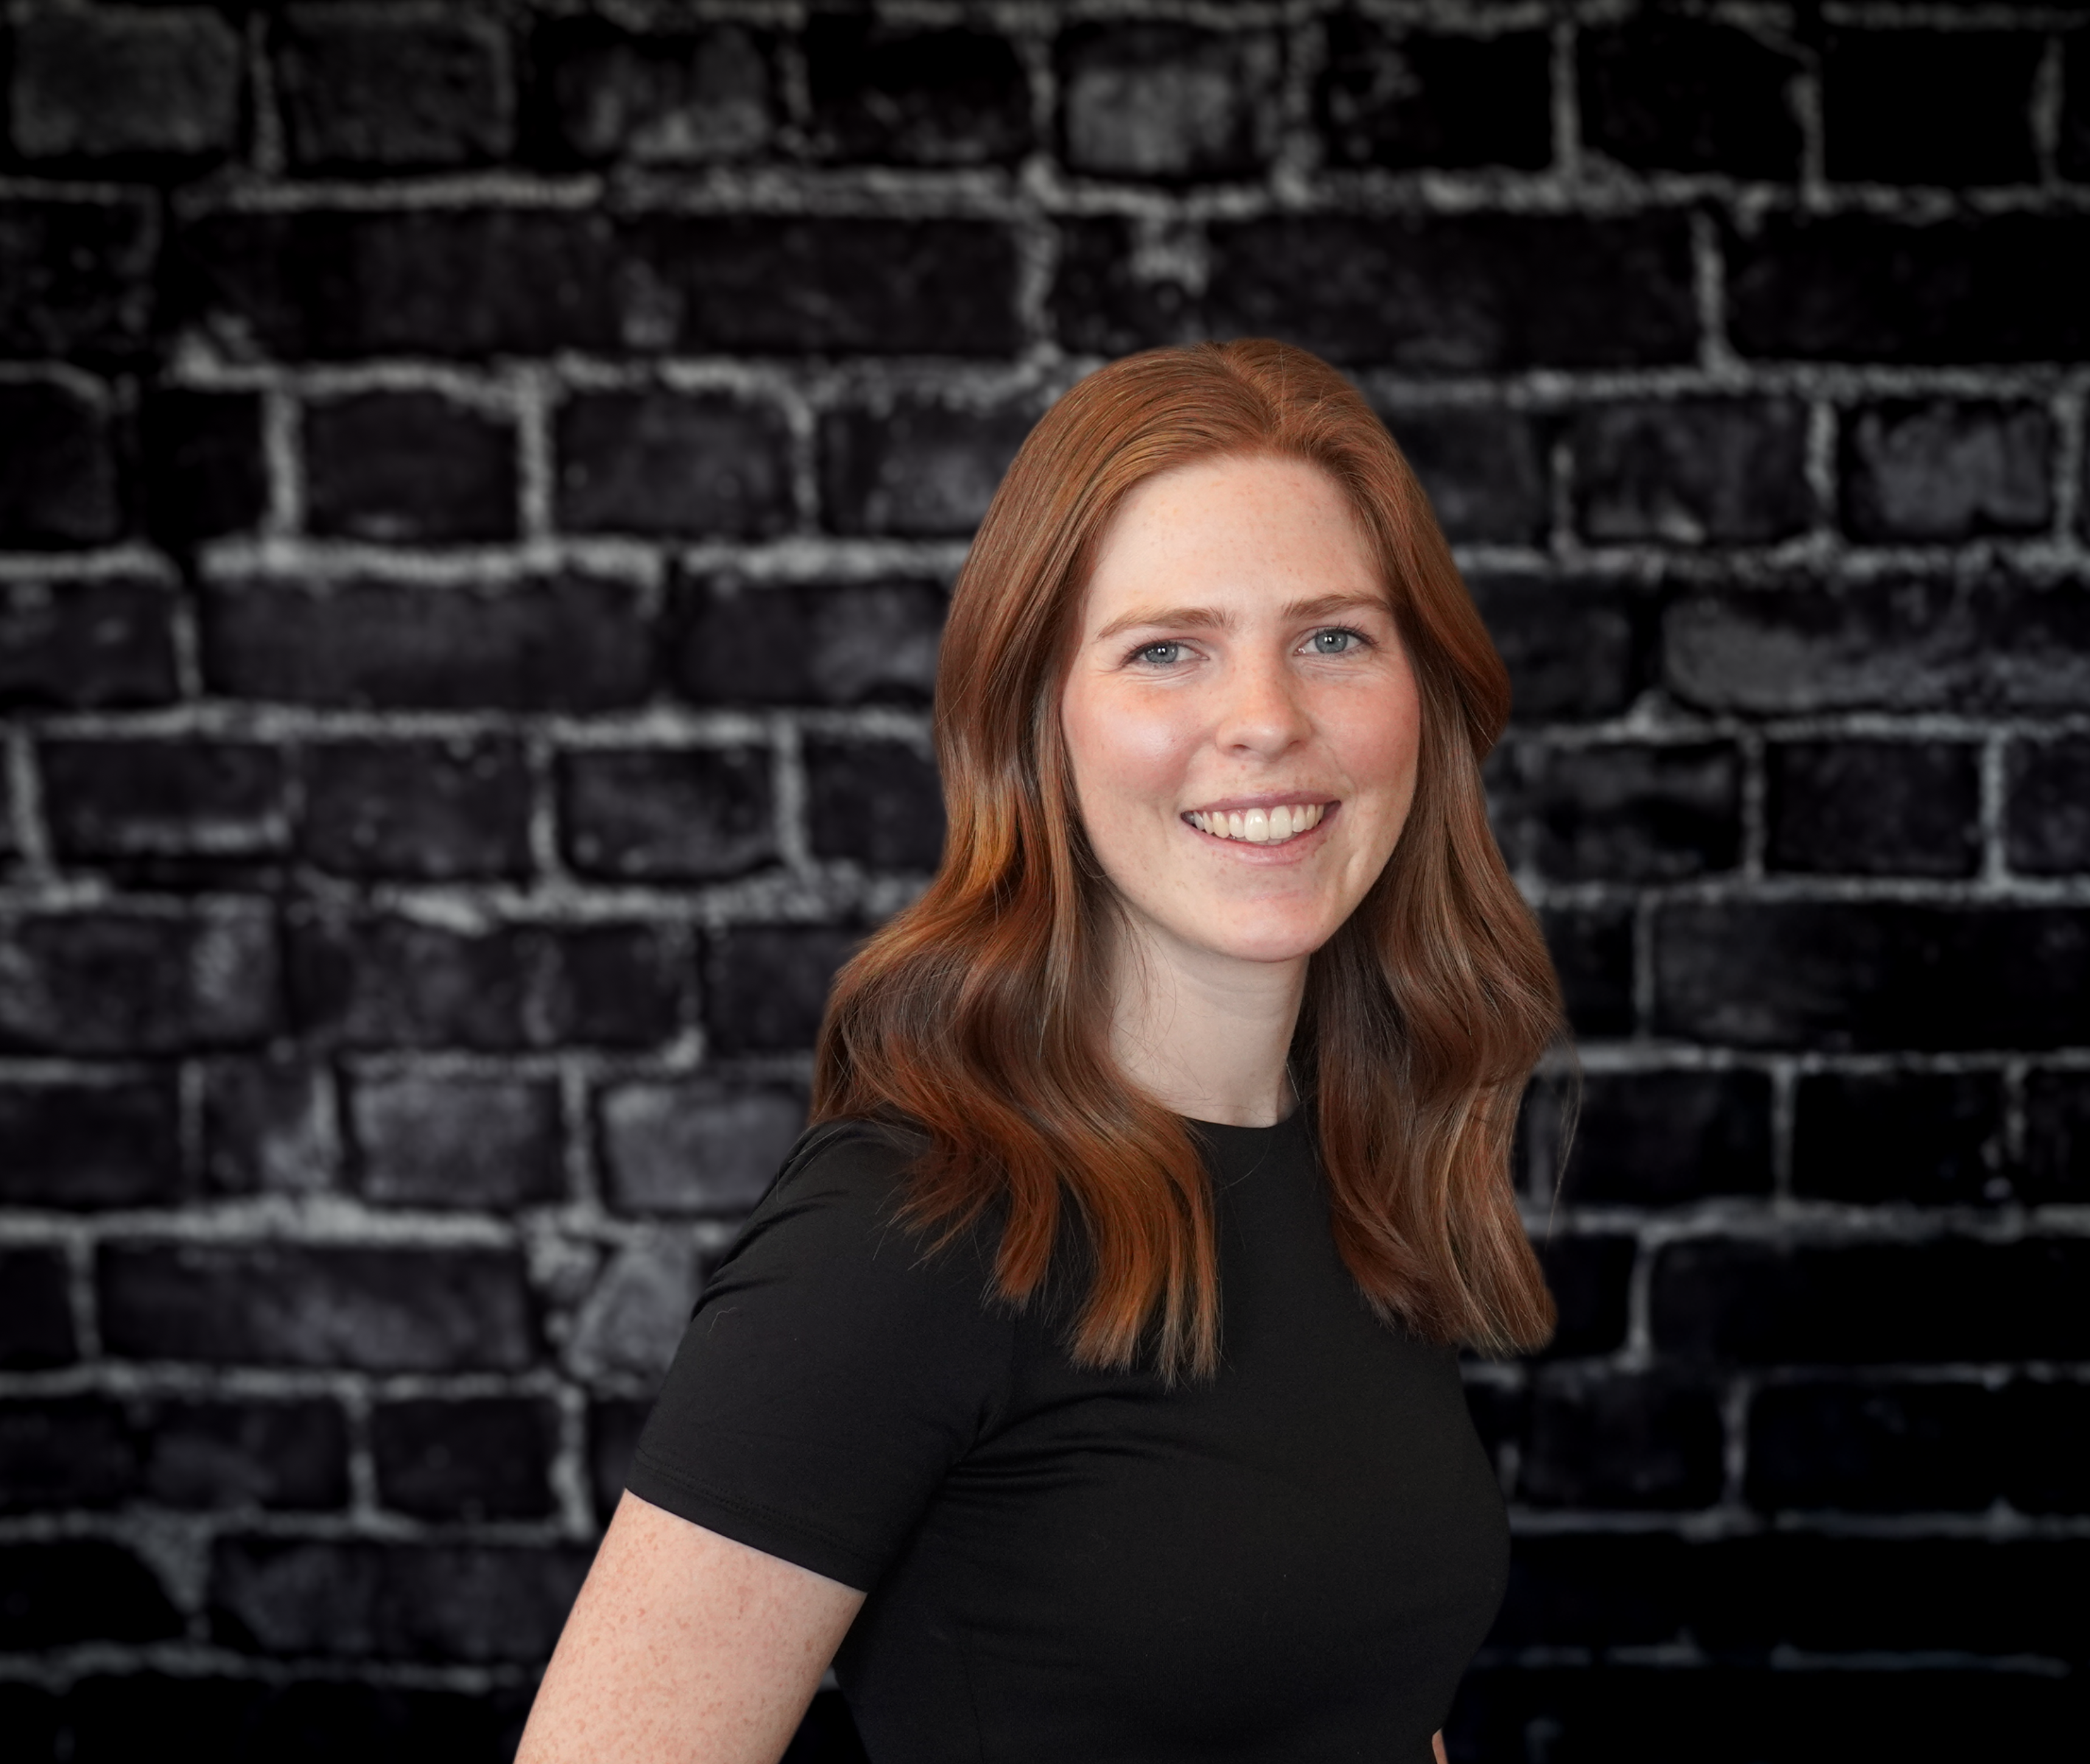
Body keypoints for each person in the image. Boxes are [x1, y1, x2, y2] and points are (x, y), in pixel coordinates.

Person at [517, 339, 1565, 1764]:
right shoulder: (908, 1231)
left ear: (1422, 694)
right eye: (1167, 650)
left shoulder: (1356, 1159)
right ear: (1037, 722)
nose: (1267, 720)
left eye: (1333, 638)